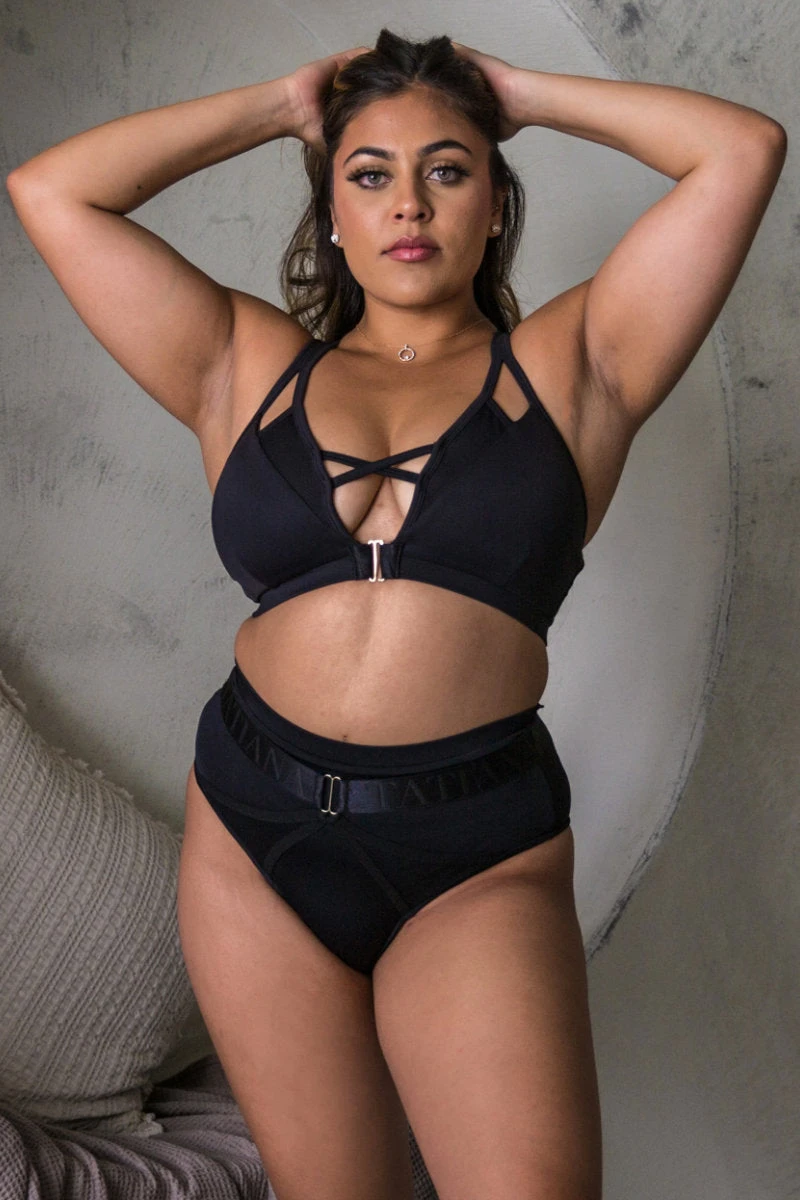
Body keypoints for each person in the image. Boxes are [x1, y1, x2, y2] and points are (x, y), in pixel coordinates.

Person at [6, 27, 785, 1200]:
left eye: (447, 169)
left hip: (470, 856)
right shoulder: (241, 365)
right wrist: (284, 106)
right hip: (255, 837)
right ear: (331, 210)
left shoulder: (575, 367)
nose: (407, 202)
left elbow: (740, 151)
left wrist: (517, 92)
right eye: (368, 174)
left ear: (494, 204)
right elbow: (53, 191)